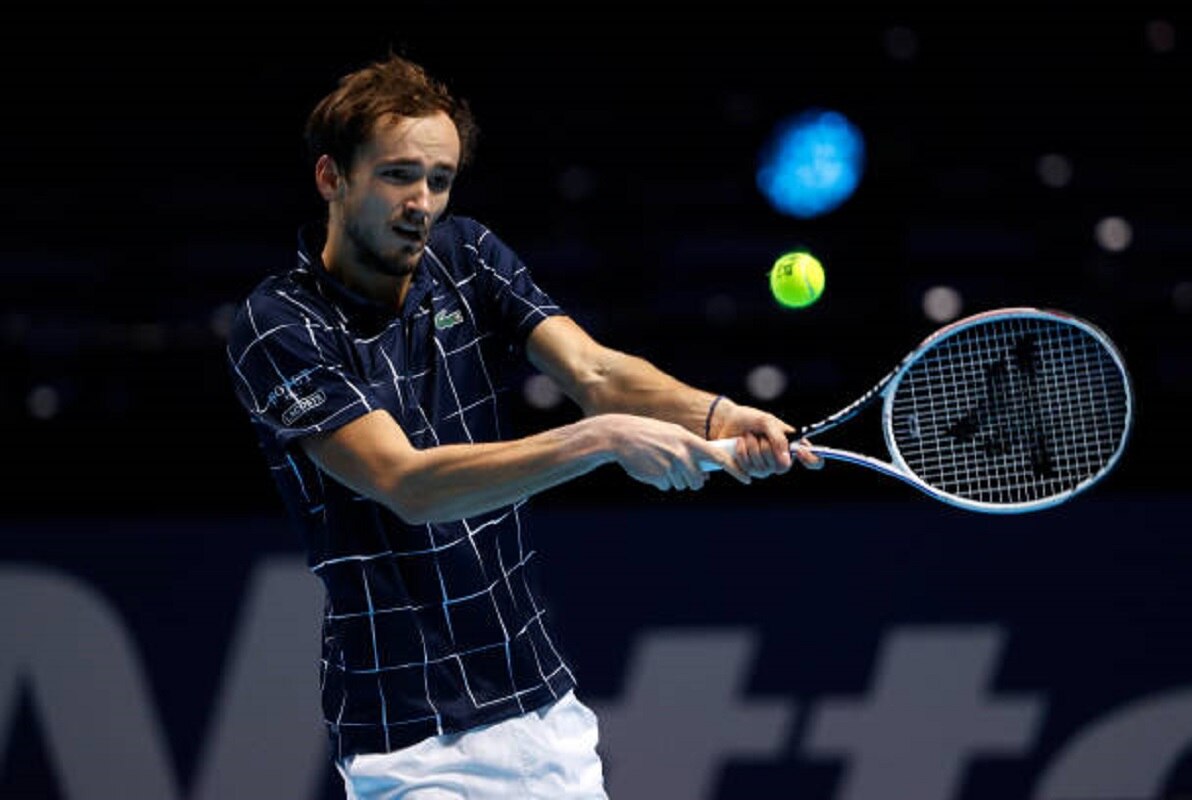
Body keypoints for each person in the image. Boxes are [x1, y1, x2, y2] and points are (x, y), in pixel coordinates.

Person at [225, 51, 822, 799]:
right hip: (407, 743)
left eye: (439, 180)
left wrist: (719, 413)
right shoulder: (279, 324)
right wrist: (600, 439)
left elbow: (597, 374)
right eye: (398, 175)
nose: (422, 202)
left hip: (541, 716)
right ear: (331, 178)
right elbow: (404, 483)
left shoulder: (467, 257)